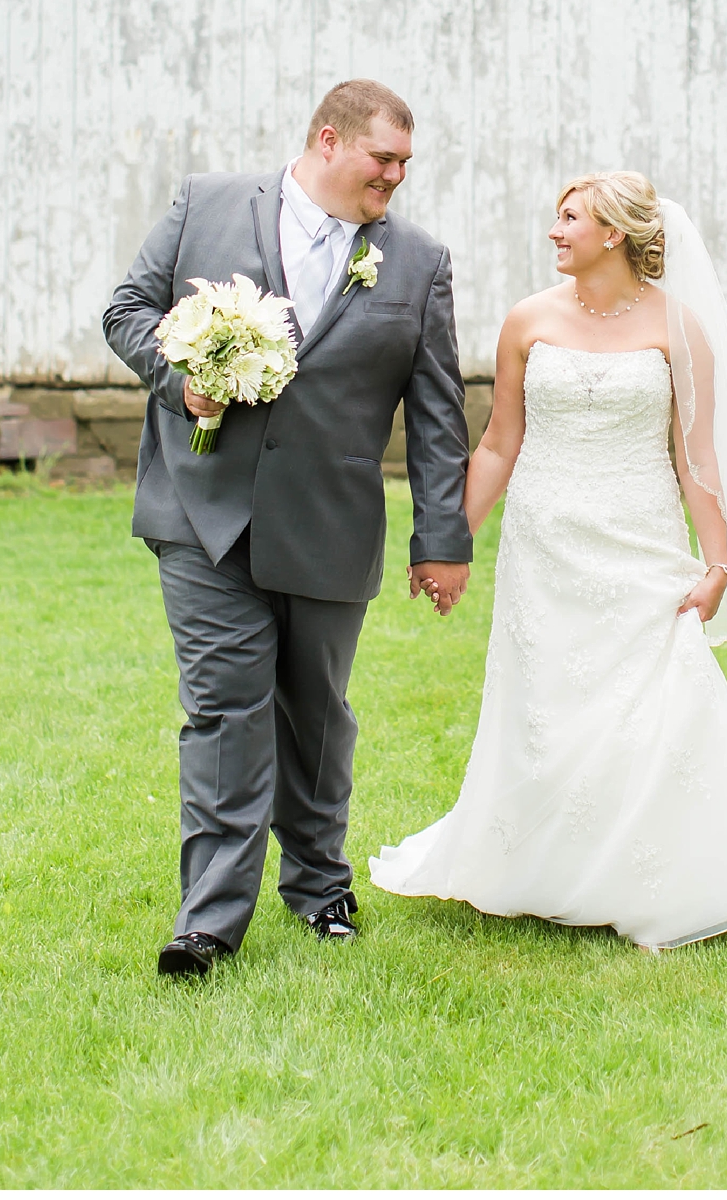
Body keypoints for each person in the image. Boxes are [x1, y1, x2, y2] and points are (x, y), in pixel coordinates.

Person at [103, 78, 474, 979]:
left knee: (315, 717)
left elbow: (435, 415)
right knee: (226, 707)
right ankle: (209, 922)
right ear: (327, 139)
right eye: (382, 159)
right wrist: (181, 376)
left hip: (330, 520)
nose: (395, 177)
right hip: (205, 510)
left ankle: (319, 888)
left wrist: (442, 541)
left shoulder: (417, 262)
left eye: (404, 164)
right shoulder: (208, 204)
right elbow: (127, 312)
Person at [369, 170, 727, 949]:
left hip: (640, 539)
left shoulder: (678, 327)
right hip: (545, 545)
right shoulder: (528, 320)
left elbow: (695, 457)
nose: (555, 232)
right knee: (547, 706)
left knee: (650, 704)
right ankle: (543, 866)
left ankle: (645, 875)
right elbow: (498, 442)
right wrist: (446, 541)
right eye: (556, 219)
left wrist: (719, 563)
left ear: (615, 234)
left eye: (570, 219)